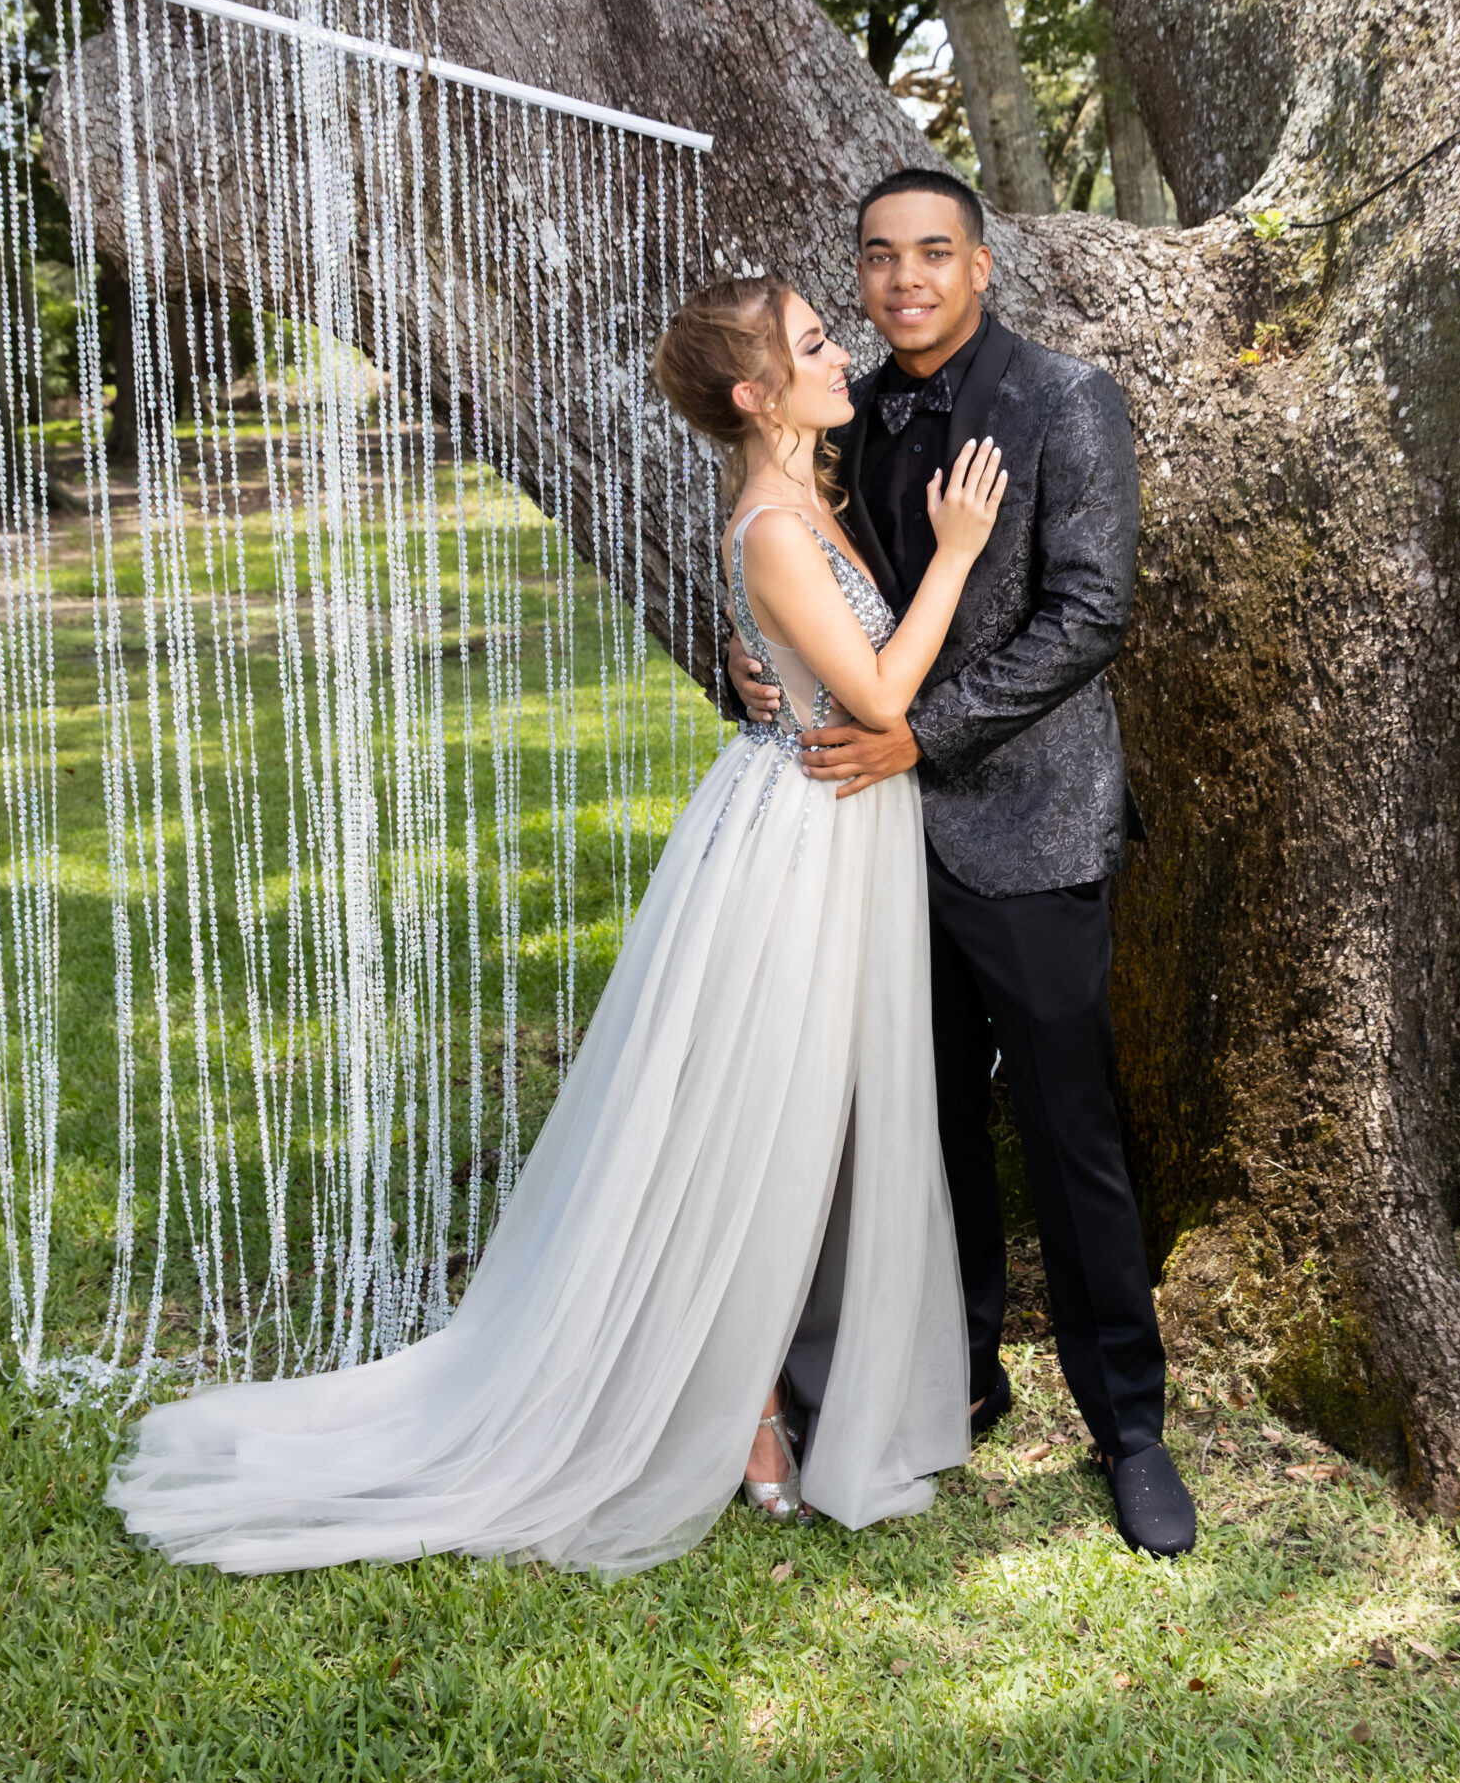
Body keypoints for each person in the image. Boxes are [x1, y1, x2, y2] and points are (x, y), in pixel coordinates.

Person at [105, 275, 1005, 1576]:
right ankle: (747, 1418)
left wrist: (778, 662)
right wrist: (962, 554)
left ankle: (805, 1385)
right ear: (755, 394)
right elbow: (871, 695)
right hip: (800, 843)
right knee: (753, 1125)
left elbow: (805, 665)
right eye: (811, 344)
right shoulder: (767, 519)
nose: (840, 353)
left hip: (838, 829)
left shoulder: (816, 487)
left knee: (820, 1126)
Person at [728, 168, 1196, 1559]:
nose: (905, 280)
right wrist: (751, 674)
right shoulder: (847, 410)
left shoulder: (1067, 401)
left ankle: (1131, 1430)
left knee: (1070, 1135)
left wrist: (912, 740)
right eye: (879, 259)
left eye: (935, 254)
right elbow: (810, 595)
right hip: (870, 854)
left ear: (981, 268)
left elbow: (1089, 616)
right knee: (919, 1129)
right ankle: (958, 1372)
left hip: (1035, 831)